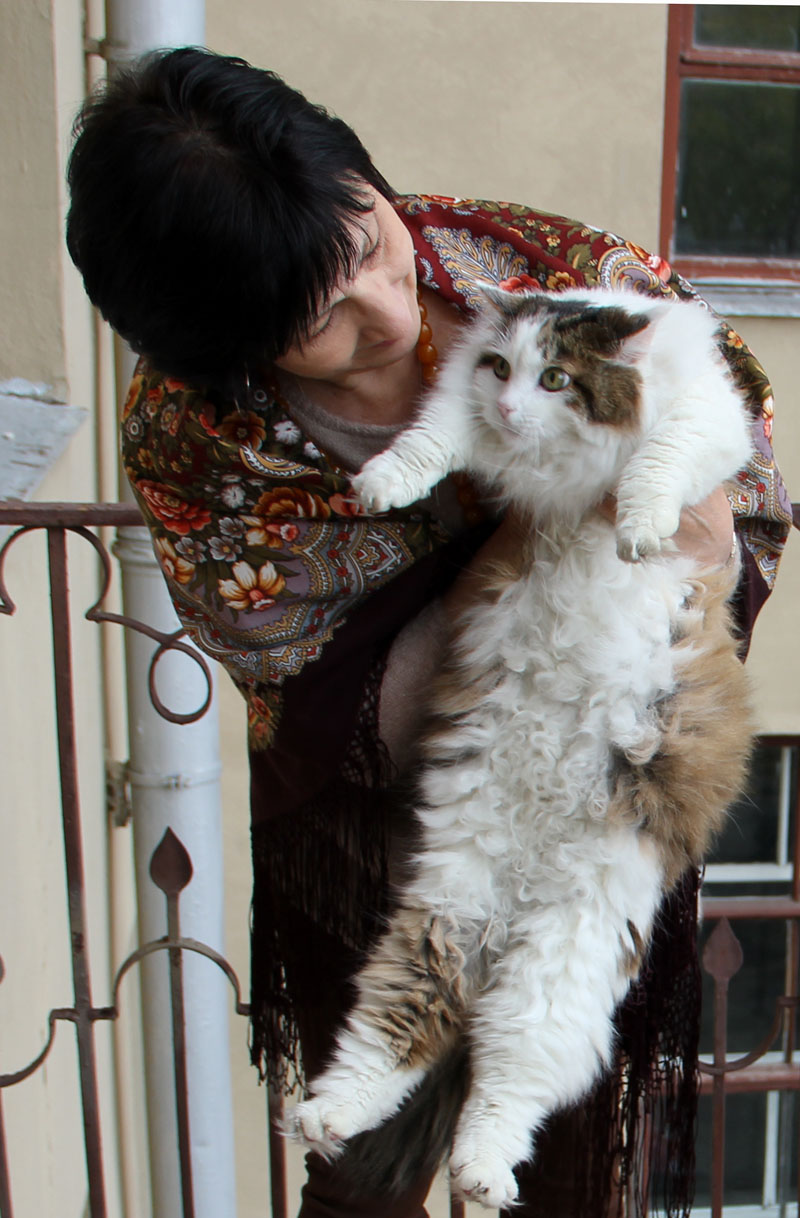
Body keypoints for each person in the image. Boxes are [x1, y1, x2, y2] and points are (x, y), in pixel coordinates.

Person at [65, 47, 793, 1218]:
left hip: (602, 766)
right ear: (229, 350)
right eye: (322, 318)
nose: (387, 309)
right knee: (371, 1163)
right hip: (385, 819)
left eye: (367, 238)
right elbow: (292, 664)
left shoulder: (546, 273)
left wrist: (673, 545)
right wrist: (525, 558)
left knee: (555, 1152)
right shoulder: (191, 436)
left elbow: (729, 465)